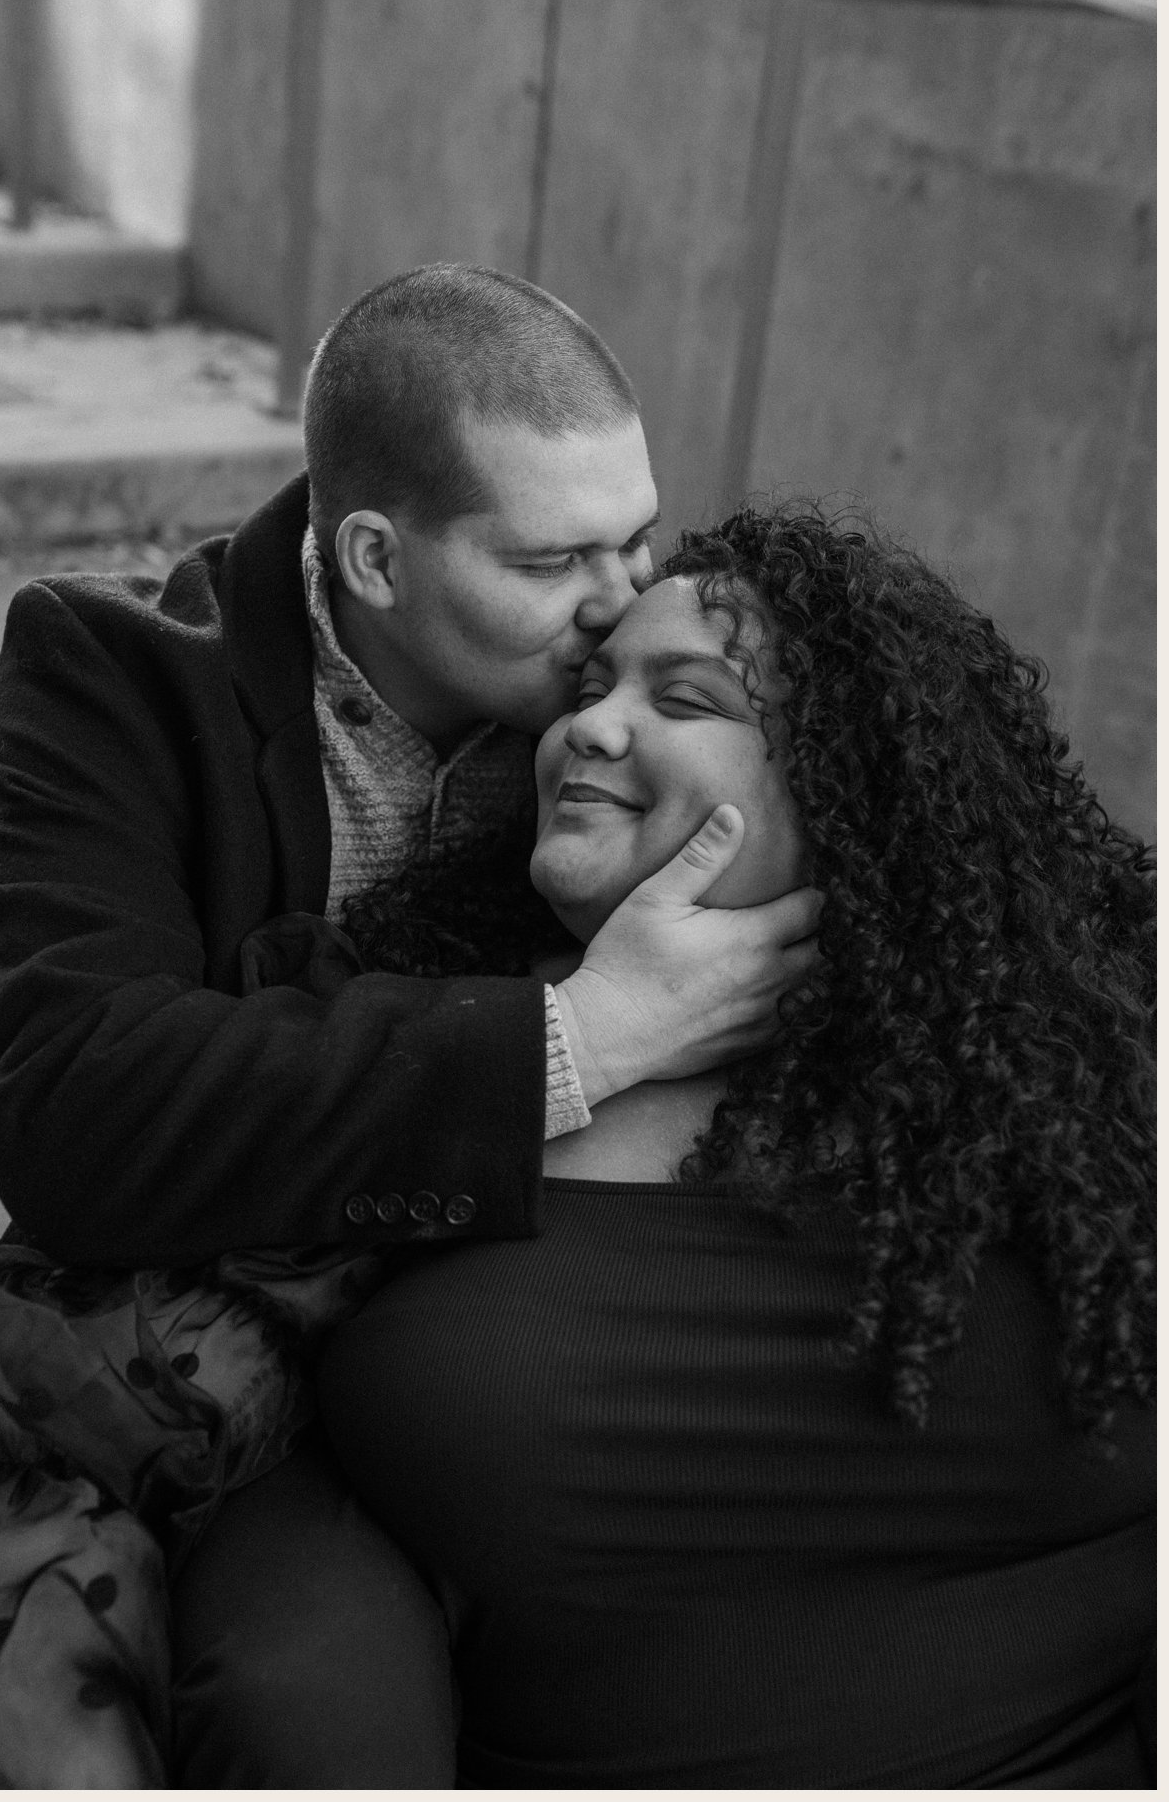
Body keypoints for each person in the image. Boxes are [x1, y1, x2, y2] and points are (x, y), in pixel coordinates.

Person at [0, 263, 820, 1782]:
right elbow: (70, 1098)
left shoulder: (620, 703)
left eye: (638, 535)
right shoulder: (114, 683)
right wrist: (579, 1036)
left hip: (568, 1346)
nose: (618, 604)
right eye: (556, 562)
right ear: (375, 557)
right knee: (314, 1701)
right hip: (254, 1390)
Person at [316, 502, 1153, 1786]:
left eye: (687, 698)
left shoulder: (1080, 1073)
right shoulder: (427, 1036)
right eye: (588, 687)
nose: (587, 725)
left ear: (849, 783)